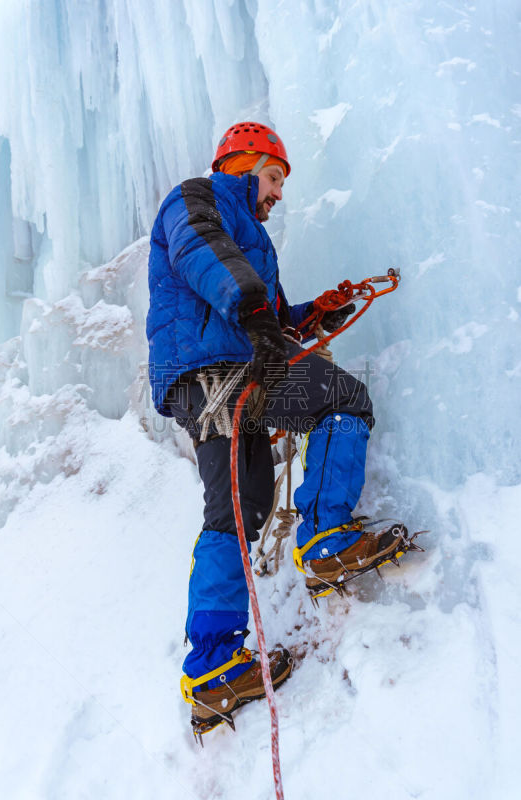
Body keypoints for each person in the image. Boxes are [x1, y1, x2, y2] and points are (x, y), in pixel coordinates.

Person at [146, 121, 408, 735]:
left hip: (234, 372)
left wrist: (311, 314)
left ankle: (213, 668)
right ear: (241, 166)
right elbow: (205, 256)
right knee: (341, 398)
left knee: (243, 506)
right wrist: (261, 315)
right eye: (273, 177)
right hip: (212, 371)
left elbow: (266, 312)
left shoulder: (254, 244)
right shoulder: (197, 199)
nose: (278, 193)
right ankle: (325, 541)